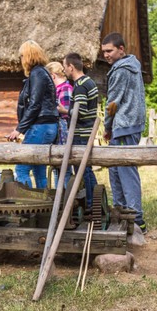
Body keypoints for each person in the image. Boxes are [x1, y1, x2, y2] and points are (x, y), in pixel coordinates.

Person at [101, 32, 147, 233]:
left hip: (124, 124)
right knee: (116, 169)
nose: (106, 55)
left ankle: (136, 219)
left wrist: (107, 126)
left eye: (109, 51)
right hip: (129, 123)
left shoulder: (120, 70)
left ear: (121, 49)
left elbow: (112, 103)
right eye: (103, 52)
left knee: (126, 171)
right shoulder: (132, 66)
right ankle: (120, 213)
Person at [7, 40, 58, 188]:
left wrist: (19, 129)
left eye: (22, 56)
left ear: (28, 56)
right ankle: (43, 204)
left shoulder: (37, 73)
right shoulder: (41, 73)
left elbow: (35, 104)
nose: (21, 60)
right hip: (47, 125)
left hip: (41, 126)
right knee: (38, 168)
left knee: (21, 169)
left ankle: (27, 206)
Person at [64, 53, 100, 209]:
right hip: (87, 132)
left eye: (65, 67)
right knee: (87, 170)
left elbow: (81, 111)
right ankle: (97, 201)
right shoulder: (89, 82)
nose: (64, 70)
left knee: (82, 171)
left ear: (71, 67)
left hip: (81, 133)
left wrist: (65, 110)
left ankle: (91, 205)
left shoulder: (80, 86)